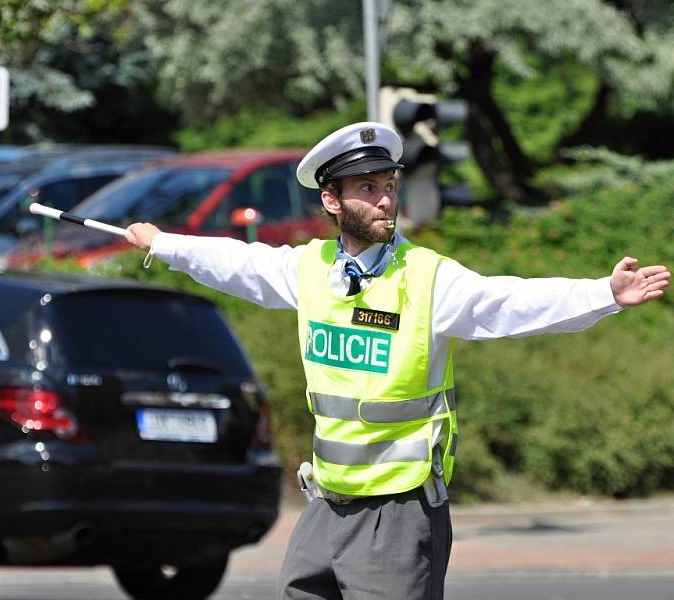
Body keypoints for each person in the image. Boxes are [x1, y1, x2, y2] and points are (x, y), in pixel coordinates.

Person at [124, 122, 670, 600]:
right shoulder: (311, 269)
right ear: (332, 201)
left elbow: (510, 302)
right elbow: (240, 263)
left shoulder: (428, 278)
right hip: (327, 501)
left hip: (399, 509)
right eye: (368, 188)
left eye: (388, 186)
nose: (385, 200)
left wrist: (603, 295)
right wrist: (164, 243)